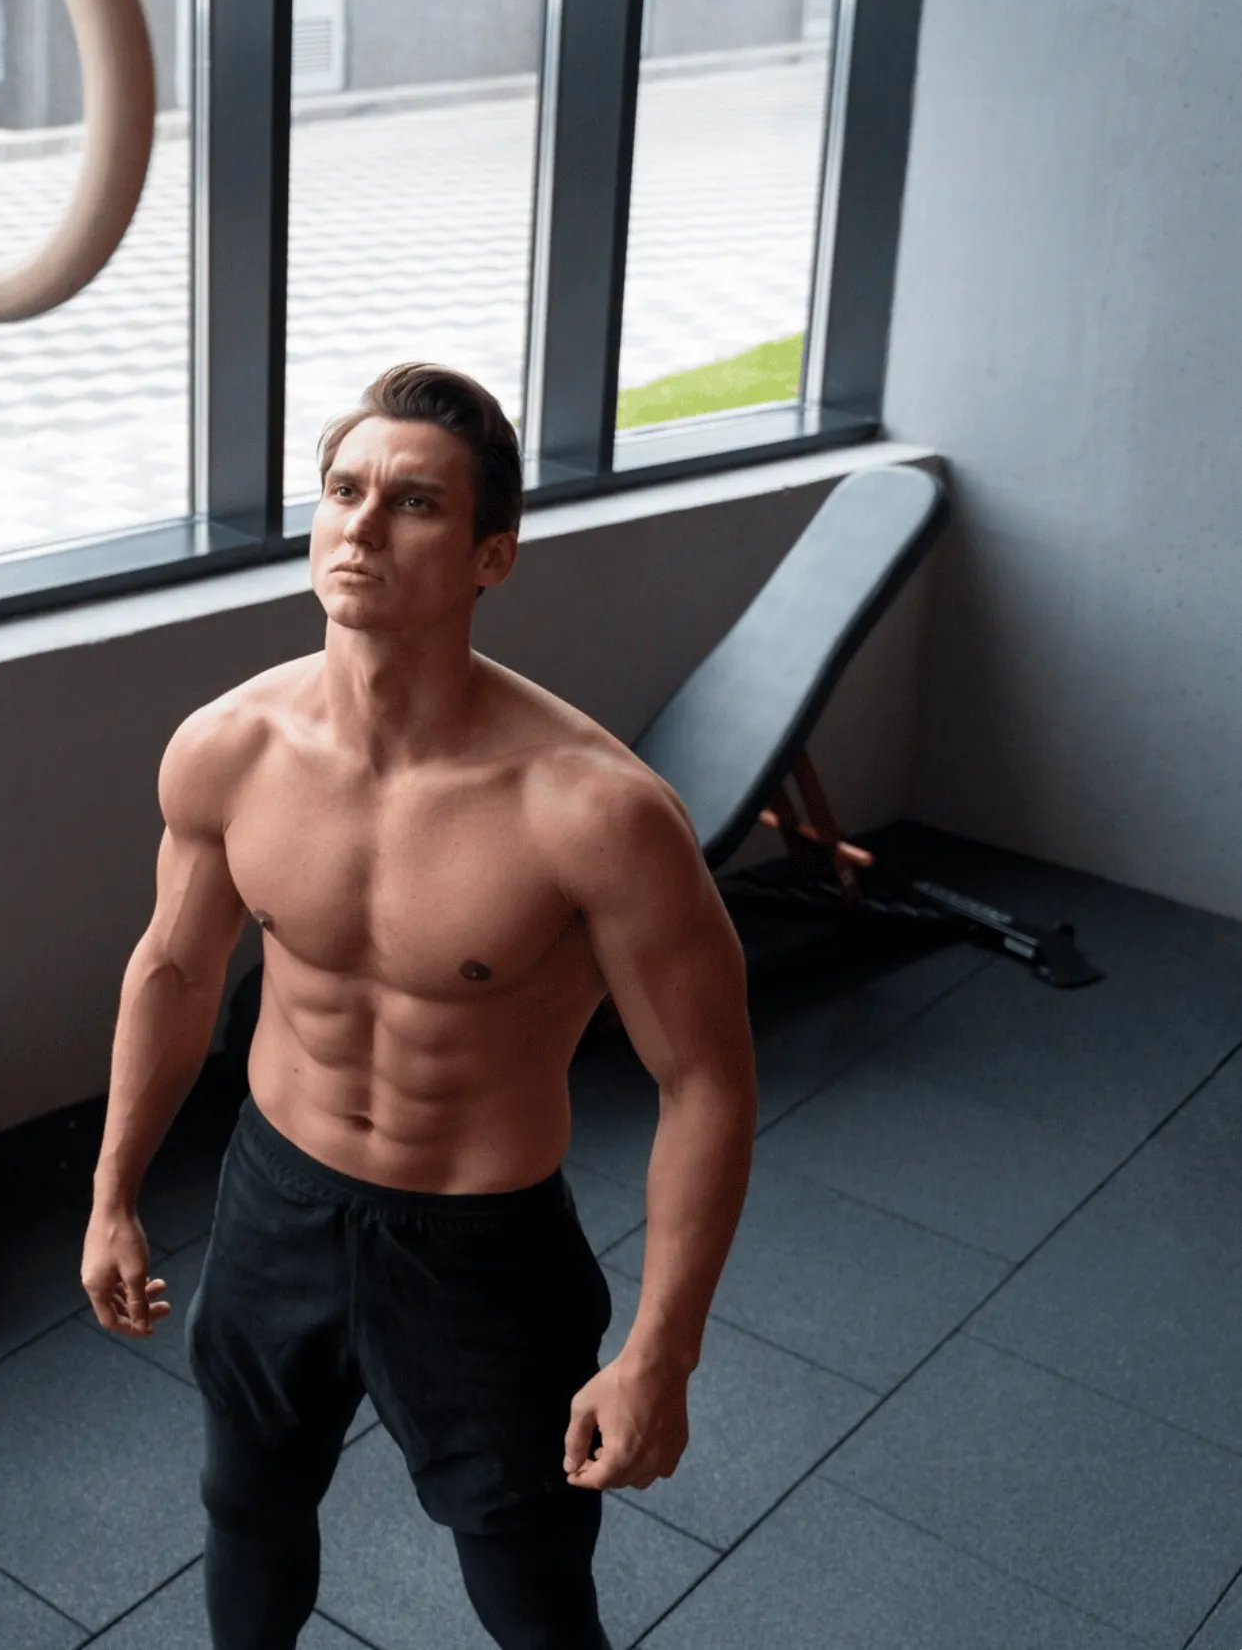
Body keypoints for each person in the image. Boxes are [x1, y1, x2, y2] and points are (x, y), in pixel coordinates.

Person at [80, 363, 758, 1650]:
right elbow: (171, 969)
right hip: (275, 1199)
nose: (362, 525)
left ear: (491, 553)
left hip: (479, 1250)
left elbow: (706, 1080)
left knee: (531, 1579)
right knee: (246, 1508)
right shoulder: (229, 747)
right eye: (343, 491)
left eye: (415, 503)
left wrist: (663, 1351)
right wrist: (114, 1194)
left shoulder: (594, 812)